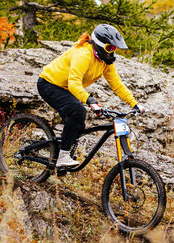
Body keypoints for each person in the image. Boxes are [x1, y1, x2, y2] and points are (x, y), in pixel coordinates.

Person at [37, 24, 144, 167]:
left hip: (65, 88)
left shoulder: (105, 62)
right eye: (110, 48)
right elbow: (74, 83)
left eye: (114, 48)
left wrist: (134, 104)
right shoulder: (84, 55)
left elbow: (117, 85)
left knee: (78, 124)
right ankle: (62, 157)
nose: (112, 52)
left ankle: (60, 155)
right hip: (49, 84)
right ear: (99, 44)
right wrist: (90, 100)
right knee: (78, 111)